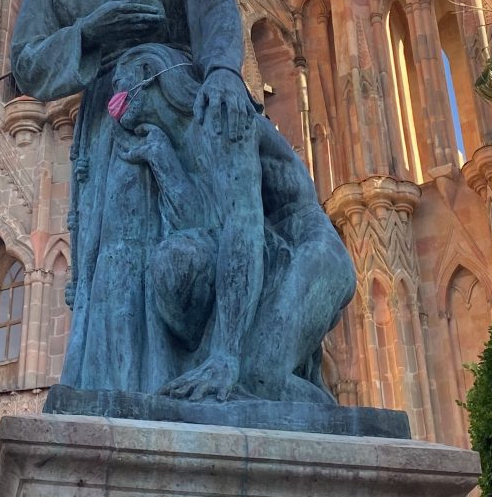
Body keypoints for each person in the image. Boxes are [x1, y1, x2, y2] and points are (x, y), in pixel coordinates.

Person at [11, 0, 260, 397]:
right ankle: (119, 393)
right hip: (109, 131)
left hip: (183, 116)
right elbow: (26, 62)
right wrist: (90, 33)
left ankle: (207, 370)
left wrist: (223, 71)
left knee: (189, 246)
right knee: (117, 264)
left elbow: (217, 19)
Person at [111, 43, 356, 403]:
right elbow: (203, 224)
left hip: (311, 253)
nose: (113, 99)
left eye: (120, 84)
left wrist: (225, 353)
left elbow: (244, 229)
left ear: (148, 76)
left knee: (256, 380)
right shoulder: (179, 140)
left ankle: (343, 429)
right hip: (272, 253)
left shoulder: (222, 113)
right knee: (173, 263)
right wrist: (161, 158)